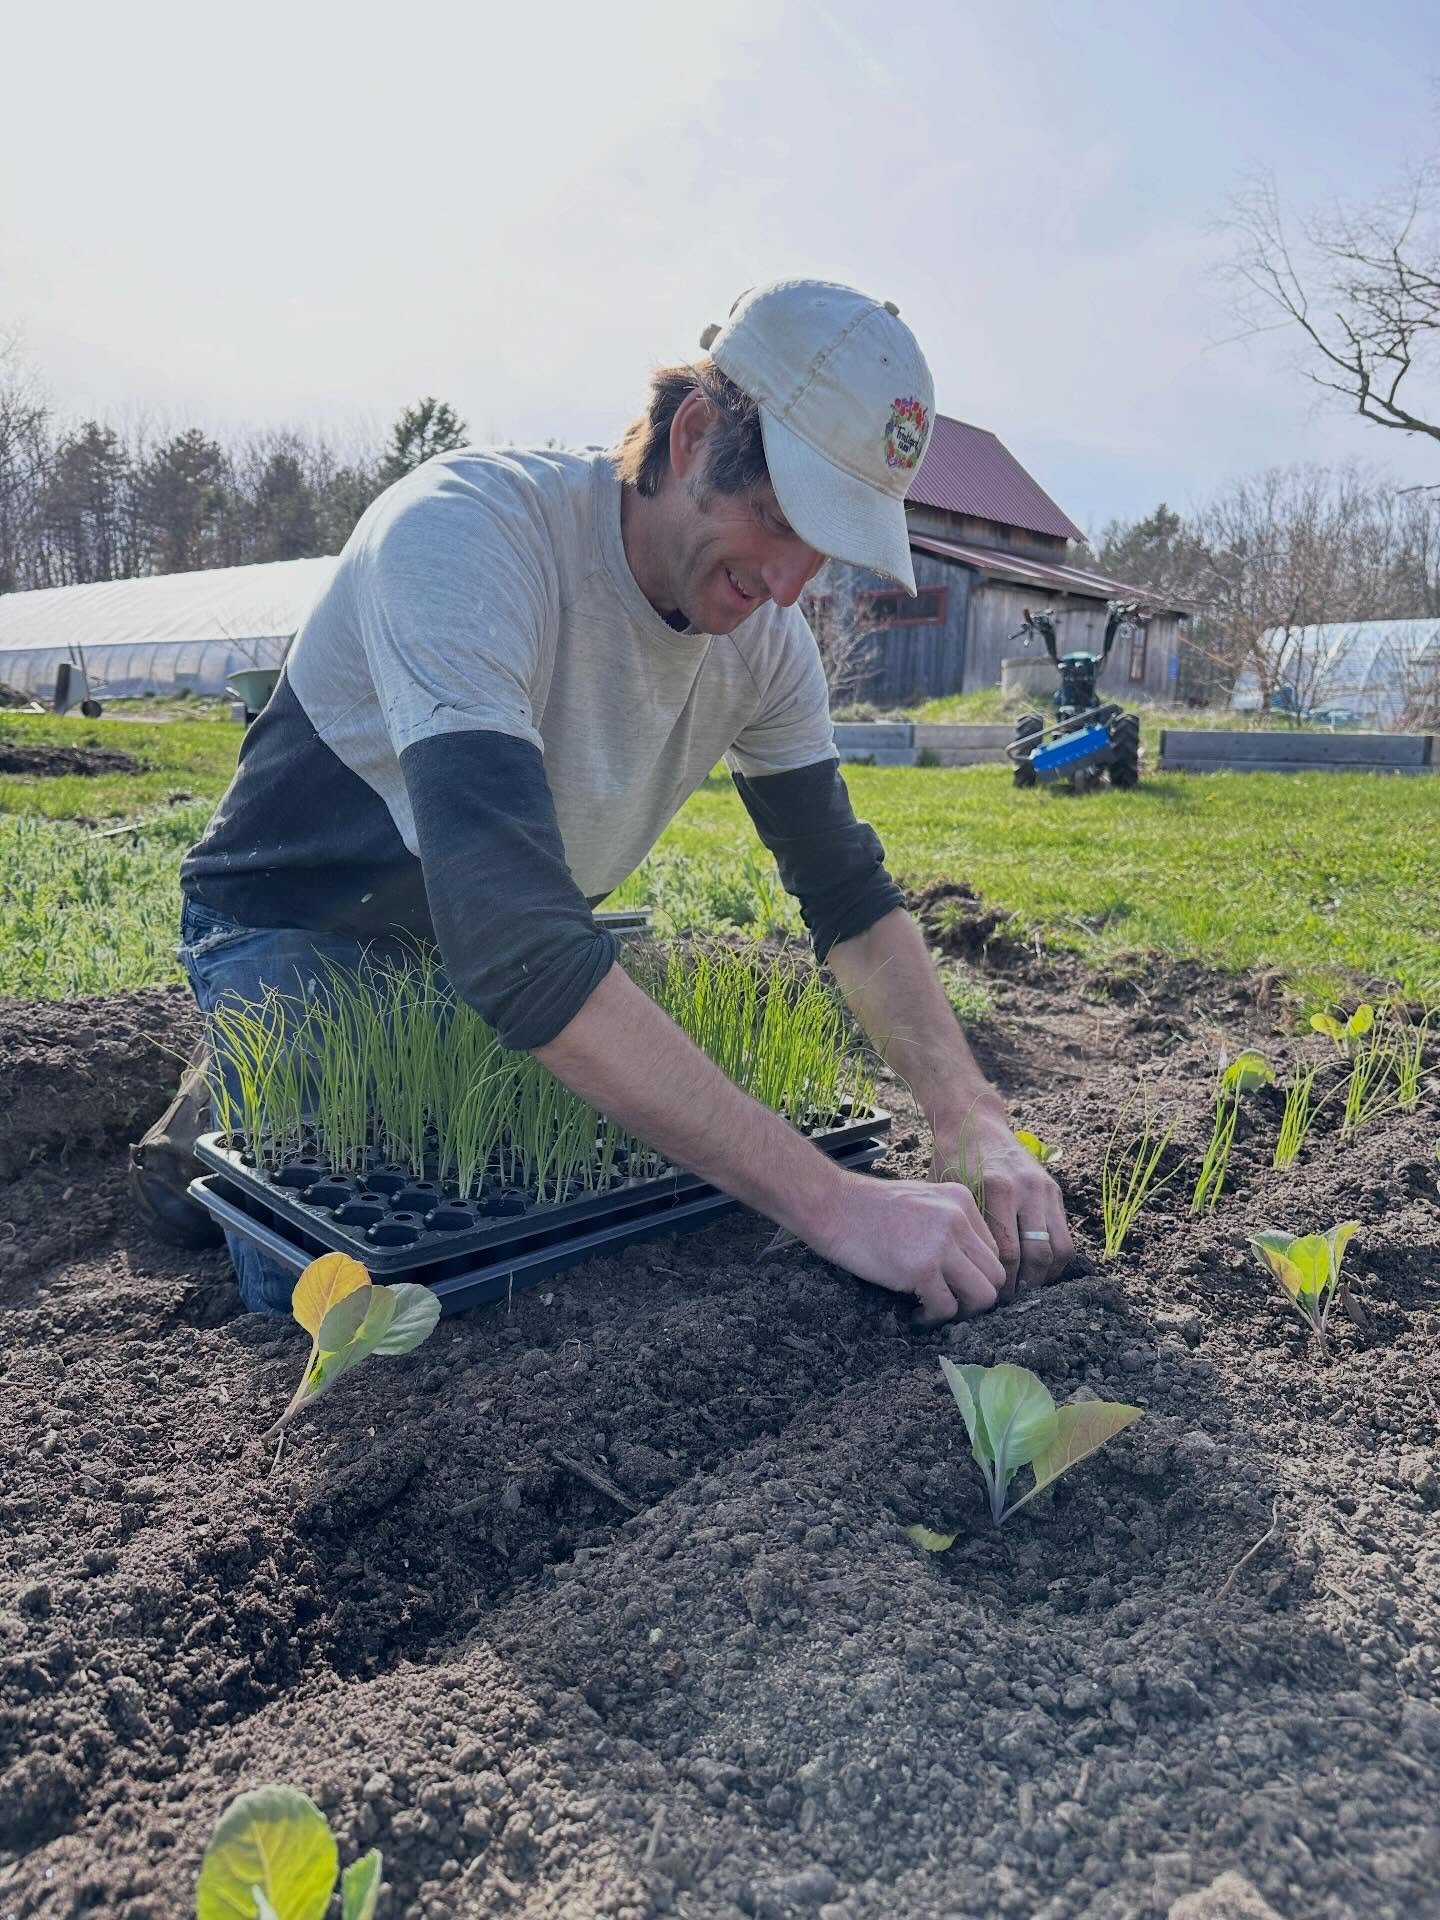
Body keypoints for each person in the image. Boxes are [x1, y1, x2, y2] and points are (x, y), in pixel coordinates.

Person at [130, 278, 1074, 1322]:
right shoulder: (468, 537)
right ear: (694, 435)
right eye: (780, 519)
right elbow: (518, 943)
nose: (796, 581)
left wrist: (968, 1113)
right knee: (365, 1312)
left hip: (487, 961)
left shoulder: (767, 644)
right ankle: (221, 1136)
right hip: (302, 925)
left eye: (829, 546)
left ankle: (241, 1113)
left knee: (559, 1209)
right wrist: (834, 1202)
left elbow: (846, 895)